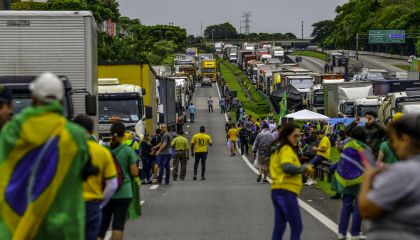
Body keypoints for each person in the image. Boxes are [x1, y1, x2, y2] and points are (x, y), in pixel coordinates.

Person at [0, 72, 92, 239]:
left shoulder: (12, 130)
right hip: (63, 229)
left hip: (18, 224)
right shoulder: (76, 136)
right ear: (62, 101)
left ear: (34, 99)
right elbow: (85, 168)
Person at [358, 115, 420, 240]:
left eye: (393, 140)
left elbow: (366, 210)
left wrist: (368, 176)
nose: (393, 146)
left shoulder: (404, 172)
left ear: (404, 139)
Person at [73, 115, 118, 240]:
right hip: (92, 203)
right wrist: (101, 202)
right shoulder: (102, 151)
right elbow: (112, 184)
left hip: (69, 204)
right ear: (92, 131)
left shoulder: (61, 148)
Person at [270, 123, 313, 240]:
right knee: (297, 226)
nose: (297, 139)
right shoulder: (286, 149)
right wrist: (305, 168)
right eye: (295, 136)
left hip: (277, 190)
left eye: (299, 136)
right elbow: (287, 168)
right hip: (286, 191)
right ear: (287, 135)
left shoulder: (278, 147)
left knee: (280, 226)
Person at [98, 122, 139, 240]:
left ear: (111, 134)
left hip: (105, 191)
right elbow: (135, 172)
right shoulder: (127, 150)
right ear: (124, 135)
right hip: (124, 191)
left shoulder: (104, 150)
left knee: (102, 227)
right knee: (118, 226)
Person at [333, 127, 368, 240]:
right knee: (358, 207)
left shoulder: (347, 146)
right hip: (359, 181)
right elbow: (369, 164)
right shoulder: (364, 148)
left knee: (346, 206)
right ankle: (355, 233)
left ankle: (342, 232)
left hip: (346, 180)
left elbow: (342, 159)